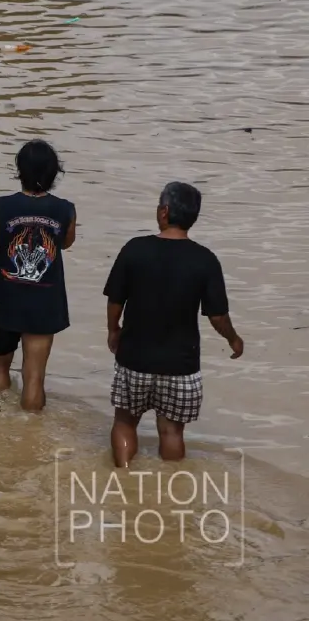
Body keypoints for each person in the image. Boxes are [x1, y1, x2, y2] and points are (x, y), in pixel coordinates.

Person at [103, 182, 243, 467]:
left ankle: (123, 478)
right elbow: (217, 317)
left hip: (135, 358)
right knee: (171, 431)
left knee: (125, 422)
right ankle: (170, 490)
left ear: (163, 212)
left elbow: (115, 300)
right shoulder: (205, 260)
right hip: (180, 365)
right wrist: (233, 339)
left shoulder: (135, 249)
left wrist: (113, 330)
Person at [0, 139, 77, 411]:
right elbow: (66, 243)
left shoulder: (1, 207)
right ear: (54, 174)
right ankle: (29, 434)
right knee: (34, 377)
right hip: (45, 300)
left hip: (4, 297)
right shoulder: (66, 210)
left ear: (19, 170)